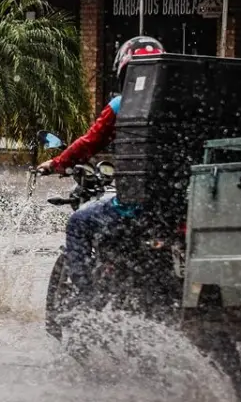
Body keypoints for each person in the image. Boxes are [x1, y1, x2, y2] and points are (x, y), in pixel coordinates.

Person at [37, 35, 164, 292]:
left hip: (138, 207)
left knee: (78, 223)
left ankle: (86, 297)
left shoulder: (123, 104)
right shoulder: (184, 105)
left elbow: (89, 142)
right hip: (176, 208)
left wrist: (57, 163)